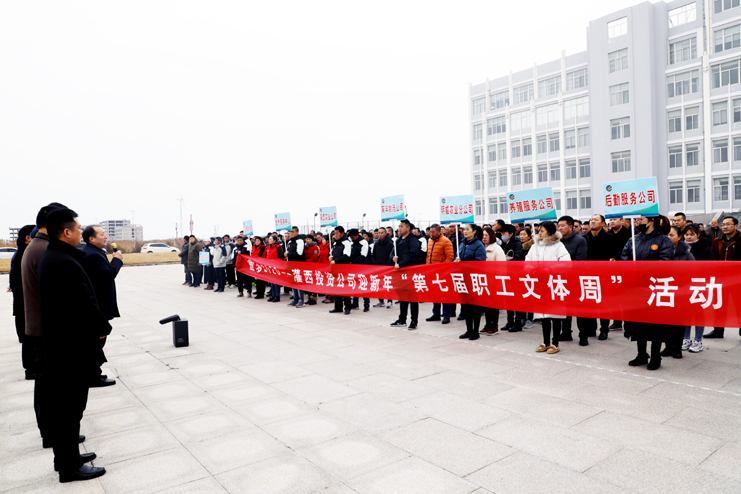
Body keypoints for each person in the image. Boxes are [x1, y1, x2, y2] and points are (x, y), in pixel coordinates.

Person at [38, 208, 108, 482]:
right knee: (68, 408)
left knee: (69, 408)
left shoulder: (56, 256)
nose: (80, 232)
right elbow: (83, 303)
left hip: (63, 346)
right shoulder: (62, 261)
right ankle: (69, 467)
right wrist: (102, 328)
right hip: (70, 349)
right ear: (66, 232)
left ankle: (69, 457)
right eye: (78, 229)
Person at [22, 203, 74, 448]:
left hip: (39, 325)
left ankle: (52, 431)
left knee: (46, 383)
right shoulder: (44, 249)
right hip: (46, 328)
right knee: (51, 386)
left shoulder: (36, 246)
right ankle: (53, 433)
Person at [622, 216, 673, 370]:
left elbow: (665, 262)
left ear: (651, 221)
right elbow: (624, 258)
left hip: (655, 288)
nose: (637, 222)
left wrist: (642, 269)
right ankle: (642, 354)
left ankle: (656, 356)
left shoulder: (663, 240)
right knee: (638, 323)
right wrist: (629, 268)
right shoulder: (633, 239)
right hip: (636, 288)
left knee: (655, 324)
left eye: (641, 219)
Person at [80, 225, 121, 388]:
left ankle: (94, 372)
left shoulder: (95, 252)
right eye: (102, 234)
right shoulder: (92, 255)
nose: (106, 237)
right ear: (91, 239)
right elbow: (108, 275)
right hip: (98, 305)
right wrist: (117, 260)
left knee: (98, 340)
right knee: (96, 340)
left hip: (99, 305)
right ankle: (93, 376)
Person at [526, 221, 571, 354]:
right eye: (539, 230)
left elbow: (566, 263)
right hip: (540, 284)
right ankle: (545, 342)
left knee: (555, 315)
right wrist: (533, 270)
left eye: (542, 230)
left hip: (554, 283)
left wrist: (549, 269)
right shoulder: (535, 246)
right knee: (543, 315)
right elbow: (527, 261)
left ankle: (555, 343)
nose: (539, 233)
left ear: (550, 232)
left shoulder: (558, 245)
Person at [661, 226, 695, 359]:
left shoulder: (686, 254)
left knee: (679, 322)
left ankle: (677, 348)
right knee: (665, 322)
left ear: (679, 237)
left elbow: (694, 273)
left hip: (681, 293)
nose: (668, 238)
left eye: (672, 235)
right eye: (667, 235)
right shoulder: (661, 252)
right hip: (665, 291)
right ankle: (668, 346)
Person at [705, 216, 741, 339]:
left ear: (736, 226)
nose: (725, 227)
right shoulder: (717, 241)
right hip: (721, 279)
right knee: (719, 305)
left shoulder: (740, 240)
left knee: (738, 306)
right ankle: (718, 331)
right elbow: (712, 258)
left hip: (737, 279)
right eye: (723, 224)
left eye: (728, 224)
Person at [583, 214, 617, 341]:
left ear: (603, 223)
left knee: (604, 304)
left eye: (596, 220)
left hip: (604, 275)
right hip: (588, 275)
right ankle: (591, 328)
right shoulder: (584, 238)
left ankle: (604, 329)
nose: (593, 222)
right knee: (589, 302)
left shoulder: (610, 238)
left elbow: (614, 256)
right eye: (591, 220)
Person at [681, 224, 712, 352]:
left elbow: (711, 266)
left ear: (698, 234)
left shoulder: (705, 247)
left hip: (699, 284)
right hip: (684, 284)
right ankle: (686, 338)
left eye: (692, 234)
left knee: (699, 313)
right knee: (686, 313)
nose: (688, 237)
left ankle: (698, 340)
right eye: (686, 234)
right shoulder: (680, 247)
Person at [557, 215, 588, 344]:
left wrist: (562, 265)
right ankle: (566, 333)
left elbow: (580, 261)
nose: (560, 228)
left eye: (562, 225)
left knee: (579, 309)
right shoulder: (558, 242)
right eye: (559, 226)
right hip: (562, 280)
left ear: (570, 227)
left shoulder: (580, 240)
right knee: (565, 308)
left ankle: (583, 335)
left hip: (576, 279)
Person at [10, 224, 35, 379]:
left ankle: (31, 369)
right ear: (28, 238)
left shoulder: (21, 252)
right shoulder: (25, 254)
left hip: (22, 301)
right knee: (29, 338)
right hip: (25, 302)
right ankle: (31, 369)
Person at [454, 224, 486, 340]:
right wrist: (457, 260)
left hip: (474, 279)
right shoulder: (462, 244)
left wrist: (464, 263)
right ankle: (469, 330)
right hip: (464, 279)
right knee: (466, 306)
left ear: (474, 231)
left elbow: (480, 263)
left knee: (475, 307)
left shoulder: (479, 245)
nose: (465, 231)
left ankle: (475, 331)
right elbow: (456, 258)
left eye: (468, 229)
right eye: (464, 229)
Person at [390, 219, 422, 329]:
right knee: (402, 296)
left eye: (401, 226)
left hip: (411, 272)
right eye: (399, 226)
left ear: (408, 228)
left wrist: (401, 264)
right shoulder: (398, 240)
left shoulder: (413, 240)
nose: (399, 228)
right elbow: (392, 253)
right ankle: (402, 319)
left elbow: (414, 255)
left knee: (412, 298)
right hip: (400, 273)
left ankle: (414, 321)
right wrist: (393, 258)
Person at [425, 224, 455, 324]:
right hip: (432, 271)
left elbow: (450, 257)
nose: (431, 234)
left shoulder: (446, 241)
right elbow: (428, 256)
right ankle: (436, 314)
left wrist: (442, 268)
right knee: (435, 294)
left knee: (444, 294)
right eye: (430, 231)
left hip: (443, 272)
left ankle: (446, 315)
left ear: (439, 232)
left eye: (433, 232)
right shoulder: (430, 241)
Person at [481, 226, 506, 334]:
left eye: (486, 235)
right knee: (486, 305)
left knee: (494, 305)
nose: (484, 237)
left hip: (494, 281)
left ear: (491, 236)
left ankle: (494, 325)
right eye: (483, 235)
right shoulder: (481, 248)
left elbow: (502, 267)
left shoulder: (497, 249)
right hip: (484, 281)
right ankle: (487, 324)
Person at [501, 224, 525, 332]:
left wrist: (506, 261)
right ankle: (509, 322)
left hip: (516, 275)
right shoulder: (506, 243)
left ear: (511, 233)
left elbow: (518, 258)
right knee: (509, 299)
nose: (502, 235)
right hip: (508, 274)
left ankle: (517, 323)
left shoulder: (517, 243)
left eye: (504, 233)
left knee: (517, 300)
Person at [329, 226, 353, 314]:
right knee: (337, 288)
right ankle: (338, 307)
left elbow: (346, 256)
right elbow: (332, 254)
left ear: (342, 233)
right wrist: (331, 257)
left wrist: (336, 261)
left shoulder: (346, 242)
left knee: (345, 289)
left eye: (337, 233)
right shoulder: (336, 243)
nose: (335, 235)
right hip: (336, 268)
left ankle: (348, 307)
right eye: (334, 233)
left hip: (344, 268)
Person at [371, 226, 394, 309]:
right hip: (378, 267)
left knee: (387, 284)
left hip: (387, 267)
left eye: (381, 233)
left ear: (385, 233)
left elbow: (391, 255)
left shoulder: (390, 243)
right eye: (379, 233)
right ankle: (381, 301)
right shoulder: (376, 244)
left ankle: (390, 301)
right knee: (379, 284)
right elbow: (373, 255)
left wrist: (388, 264)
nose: (380, 234)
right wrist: (375, 263)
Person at [348, 228, 371, 311]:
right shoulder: (352, 243)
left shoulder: (363, 242)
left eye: (353, 237)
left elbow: (363, 256)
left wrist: (353, 262)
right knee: (355, 285)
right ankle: (355, 303)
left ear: (357, 235)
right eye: (350, 237)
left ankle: (366, 304)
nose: (351, 238)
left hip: (363, 267)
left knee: (363, 285)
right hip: (354, 267)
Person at [286, 227, 306, 308]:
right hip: (291, 265)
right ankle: (295, 299)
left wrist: (289, 254)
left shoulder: (300, 241)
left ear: (297, 232)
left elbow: (299, 253)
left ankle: (301, 300)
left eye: (293, 232)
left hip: (298, 265)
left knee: (299, 282)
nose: (291, 233)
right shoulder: (290, 242)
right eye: (290, 232)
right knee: (293, 282)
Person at [266, 234, 285, 302]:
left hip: (276, 266)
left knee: (276, 282)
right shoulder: (268, 247)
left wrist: (276, 265)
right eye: (269, 239)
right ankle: (273, 295)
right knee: (271, 282)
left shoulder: (278, 247)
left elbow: (280, 257)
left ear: (274, 240)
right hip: (269, 266)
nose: (269, 240)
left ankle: (277, 296)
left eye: (271, 239)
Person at [303, 235, 320, 305]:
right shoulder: (305, 247)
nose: (307, 240)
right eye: (306, 239)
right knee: (308, 282)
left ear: (312, 240)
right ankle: (309, 297)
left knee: (313, 283)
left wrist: (306, 262)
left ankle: (314, 298)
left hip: (313, 266)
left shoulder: (315, 247)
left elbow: (315, 257)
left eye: (309, 239)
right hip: (306, 267)